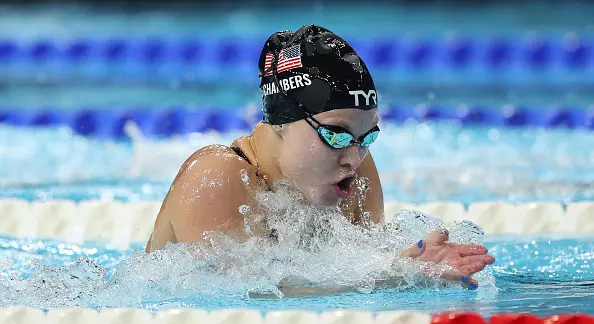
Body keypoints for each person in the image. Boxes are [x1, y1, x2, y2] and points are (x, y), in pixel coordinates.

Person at [146, 24, 494, 290]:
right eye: (336, 134)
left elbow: (347, 272)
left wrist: (407, 266)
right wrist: (392, 277)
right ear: (282, 122)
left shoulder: (351, 171)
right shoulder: (218, 176)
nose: (354, 157)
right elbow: (237, 299)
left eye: (366, 137)